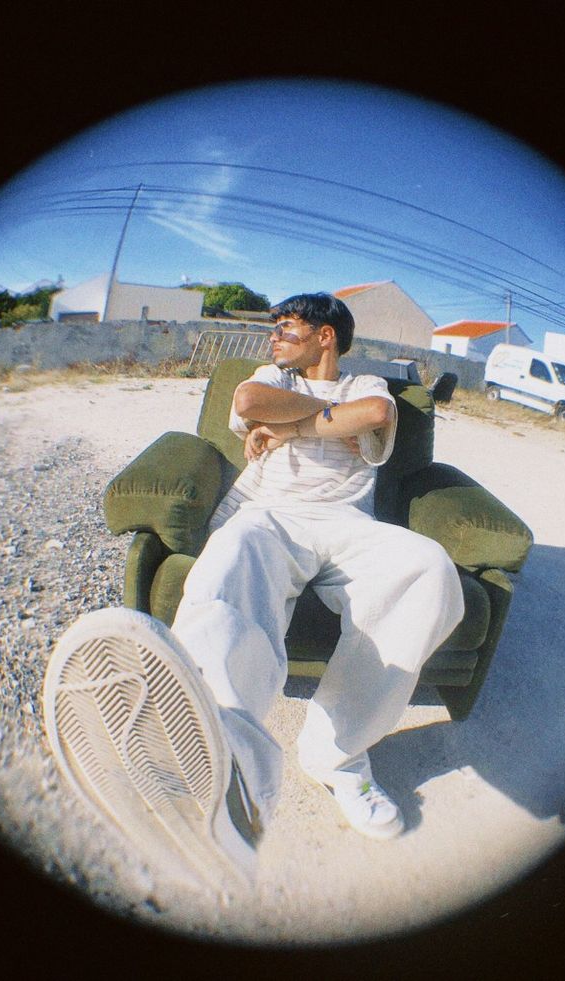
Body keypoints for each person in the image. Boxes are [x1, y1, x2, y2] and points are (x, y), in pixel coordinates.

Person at [44, 292, 465, 890]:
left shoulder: (365, 381)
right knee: (232, 557)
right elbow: (250, 400)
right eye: (274, 328)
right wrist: (310, 420)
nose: (274, 337)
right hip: (270, 515)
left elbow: (373, 415)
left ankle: (337, 753)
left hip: (348, 525)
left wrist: (287, 424)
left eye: (287, 327)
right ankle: (226, 754)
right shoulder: (271, 375)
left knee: (428, 567)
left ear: (326, 336)